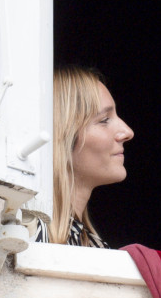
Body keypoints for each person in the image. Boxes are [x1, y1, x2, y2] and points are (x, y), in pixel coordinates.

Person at [32, 66, 134, 247]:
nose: (127, 132)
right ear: (61, 137)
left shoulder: (93, 245)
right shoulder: (27, 236)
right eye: (104, 120)